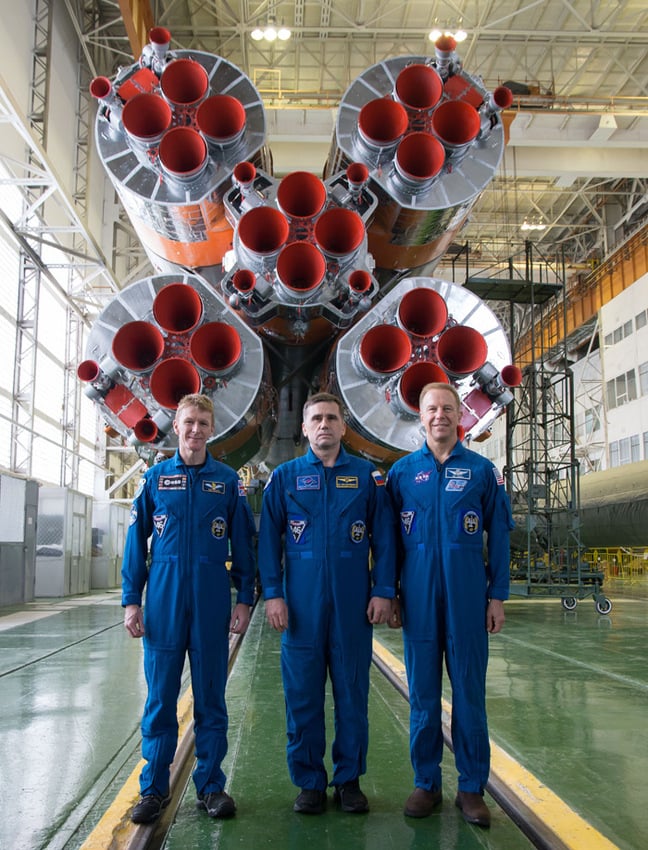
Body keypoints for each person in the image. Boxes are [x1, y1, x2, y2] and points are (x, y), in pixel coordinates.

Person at [258, 391, 397, 815]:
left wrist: (383, 590)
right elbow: (268, 542)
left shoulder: (368, 478)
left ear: (343, 427)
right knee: (302, 698)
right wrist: (274, 593)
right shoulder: (284, 479)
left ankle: (349, 781)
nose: (324, 425)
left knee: (353, 695)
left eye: (331, 418)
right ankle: (309, 783)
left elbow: (385, 539)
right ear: (304, 428)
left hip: (353, 607)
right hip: (301, 608)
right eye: (316, 418)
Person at [122, 393, 255, 824]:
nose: (195, 429)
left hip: (212, 598)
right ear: (175, 426)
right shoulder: (156, 479)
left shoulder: (227, 481)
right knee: (160, 699)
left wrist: (245, 598)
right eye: (188, 422)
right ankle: (153, 789)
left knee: (211, 699)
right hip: (162, 599)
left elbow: (244, 545)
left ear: (211, 429)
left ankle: (211, 786)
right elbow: (135, 542)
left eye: (203, 422)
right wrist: (131, 601)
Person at [386, 382, 513, 828]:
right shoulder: (401, 474)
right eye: (431, 408)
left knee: (470, 697)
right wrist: (391, 592)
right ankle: (426, 783)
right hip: (418, 597)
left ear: (459, 414)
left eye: (447, 408)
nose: (439, 415)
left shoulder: (481, 471)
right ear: (419, 417)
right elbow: (388, 544)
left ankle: (471, 788)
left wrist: (497, 594)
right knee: (422, 696)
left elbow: (498, 536)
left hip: (466, 597)